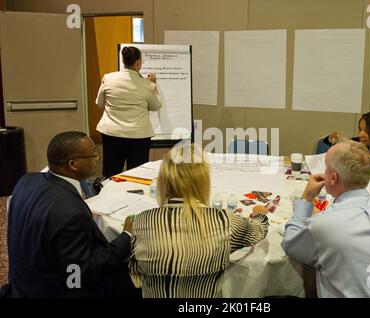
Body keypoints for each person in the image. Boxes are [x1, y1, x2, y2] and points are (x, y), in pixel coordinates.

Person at [282, 140, 370, 297]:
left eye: (326, 168)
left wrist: (307, 197)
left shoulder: (326, 224)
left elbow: (291, 243)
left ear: (333, 178)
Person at [128, 143, 269, 298]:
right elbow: (258, 230)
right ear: (203, 181)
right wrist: (259, 214)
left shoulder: (142, 222)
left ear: (163, 181)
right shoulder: (224, 222)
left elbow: (136, 276)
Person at [7, 131, 138, 298]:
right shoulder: (72, 212)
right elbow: (83, 271)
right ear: (73, 164)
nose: (98, 158)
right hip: (54, 290)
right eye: (94, 154)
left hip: (23, 282)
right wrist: (126, 235)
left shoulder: (27, 180)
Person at [96, 46, 162, 178]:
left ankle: (109, 196)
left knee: (111, 172)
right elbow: (156, 106)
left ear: (123, 61)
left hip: (111, 133)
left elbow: (99, 104)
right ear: (138, 62)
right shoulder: (147, 85)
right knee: (137, 175)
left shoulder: (108, 78)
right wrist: (154, 85)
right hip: (138, 136)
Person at [320, 111, 370, 182]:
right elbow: (330, 141)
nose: (361, 134)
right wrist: (332, 139)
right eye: (360, 129)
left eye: (366, 131)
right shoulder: (357, 142)